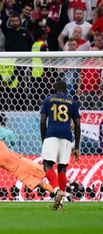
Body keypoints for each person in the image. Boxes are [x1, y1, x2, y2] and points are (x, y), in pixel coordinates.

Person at [40, 80, 81, 210]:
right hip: (67, 137)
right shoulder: (72, 102)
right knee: (62, 168)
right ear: (66, 89)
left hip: (51, 134)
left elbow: (42, 122)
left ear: (55, 88)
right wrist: (77, 147)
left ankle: (57, 190)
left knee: (47, 165)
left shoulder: (48, 100)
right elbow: (78, 125)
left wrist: (44, 139)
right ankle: (60, 203)